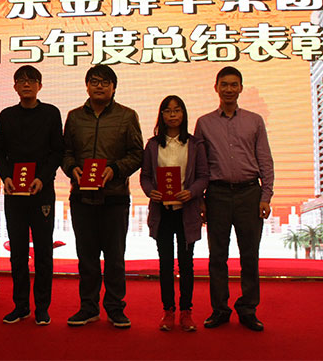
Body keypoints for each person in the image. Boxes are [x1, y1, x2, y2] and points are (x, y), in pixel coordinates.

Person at [62, 64, 143, 328]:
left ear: (114, 87)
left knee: (114, 257)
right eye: (94, 81)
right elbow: (66, 152)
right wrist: (71, 168)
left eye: (105, 82)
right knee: (86, 257)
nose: (99, 86)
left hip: (114, 197)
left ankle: (116, 308)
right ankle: (88, 307)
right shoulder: (75, 117)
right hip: (82, 197)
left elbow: (137, 154)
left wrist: (115, 169)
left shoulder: (127, 116)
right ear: (86, 86)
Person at [195, 66, 274, 332]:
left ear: (240, 87)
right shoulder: (204, 123)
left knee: (249, 255)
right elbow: (200, 165)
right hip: (216, 194)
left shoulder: (255, 120)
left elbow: (265, 160)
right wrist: (201, 200)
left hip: (250, 194)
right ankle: (220, 309)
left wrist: (266, 195)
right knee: (217, 256)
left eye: (233, 84)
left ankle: (248, 309)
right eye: (224, 84)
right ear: (216, 87)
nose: (229, 89)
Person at [0, 65, 64, 326]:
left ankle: (42, 307)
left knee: (44, 250)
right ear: (14, 86)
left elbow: (57, 152)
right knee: (18, 251)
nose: (26, 84)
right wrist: (6, 177)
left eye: (31, 80)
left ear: (40, 86)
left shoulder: (51, 113)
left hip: (41, 191)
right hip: (14, 192)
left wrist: (42, 178)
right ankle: (21, 305)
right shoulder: (6, 116)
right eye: (21, 81)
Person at [140, 95, 209, 332]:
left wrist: (192, 192)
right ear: (161, 115)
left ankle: (186, 312)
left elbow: (203, 176)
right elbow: (145, 176)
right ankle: (168, 311)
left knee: (187, 264)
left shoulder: (195, 144)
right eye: (168, 111)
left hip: (186, 212)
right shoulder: (152, 145)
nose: (172, 115)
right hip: (162, 212)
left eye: (177, 110)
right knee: (165, 263)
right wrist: (150, 191)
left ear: (183, 114)